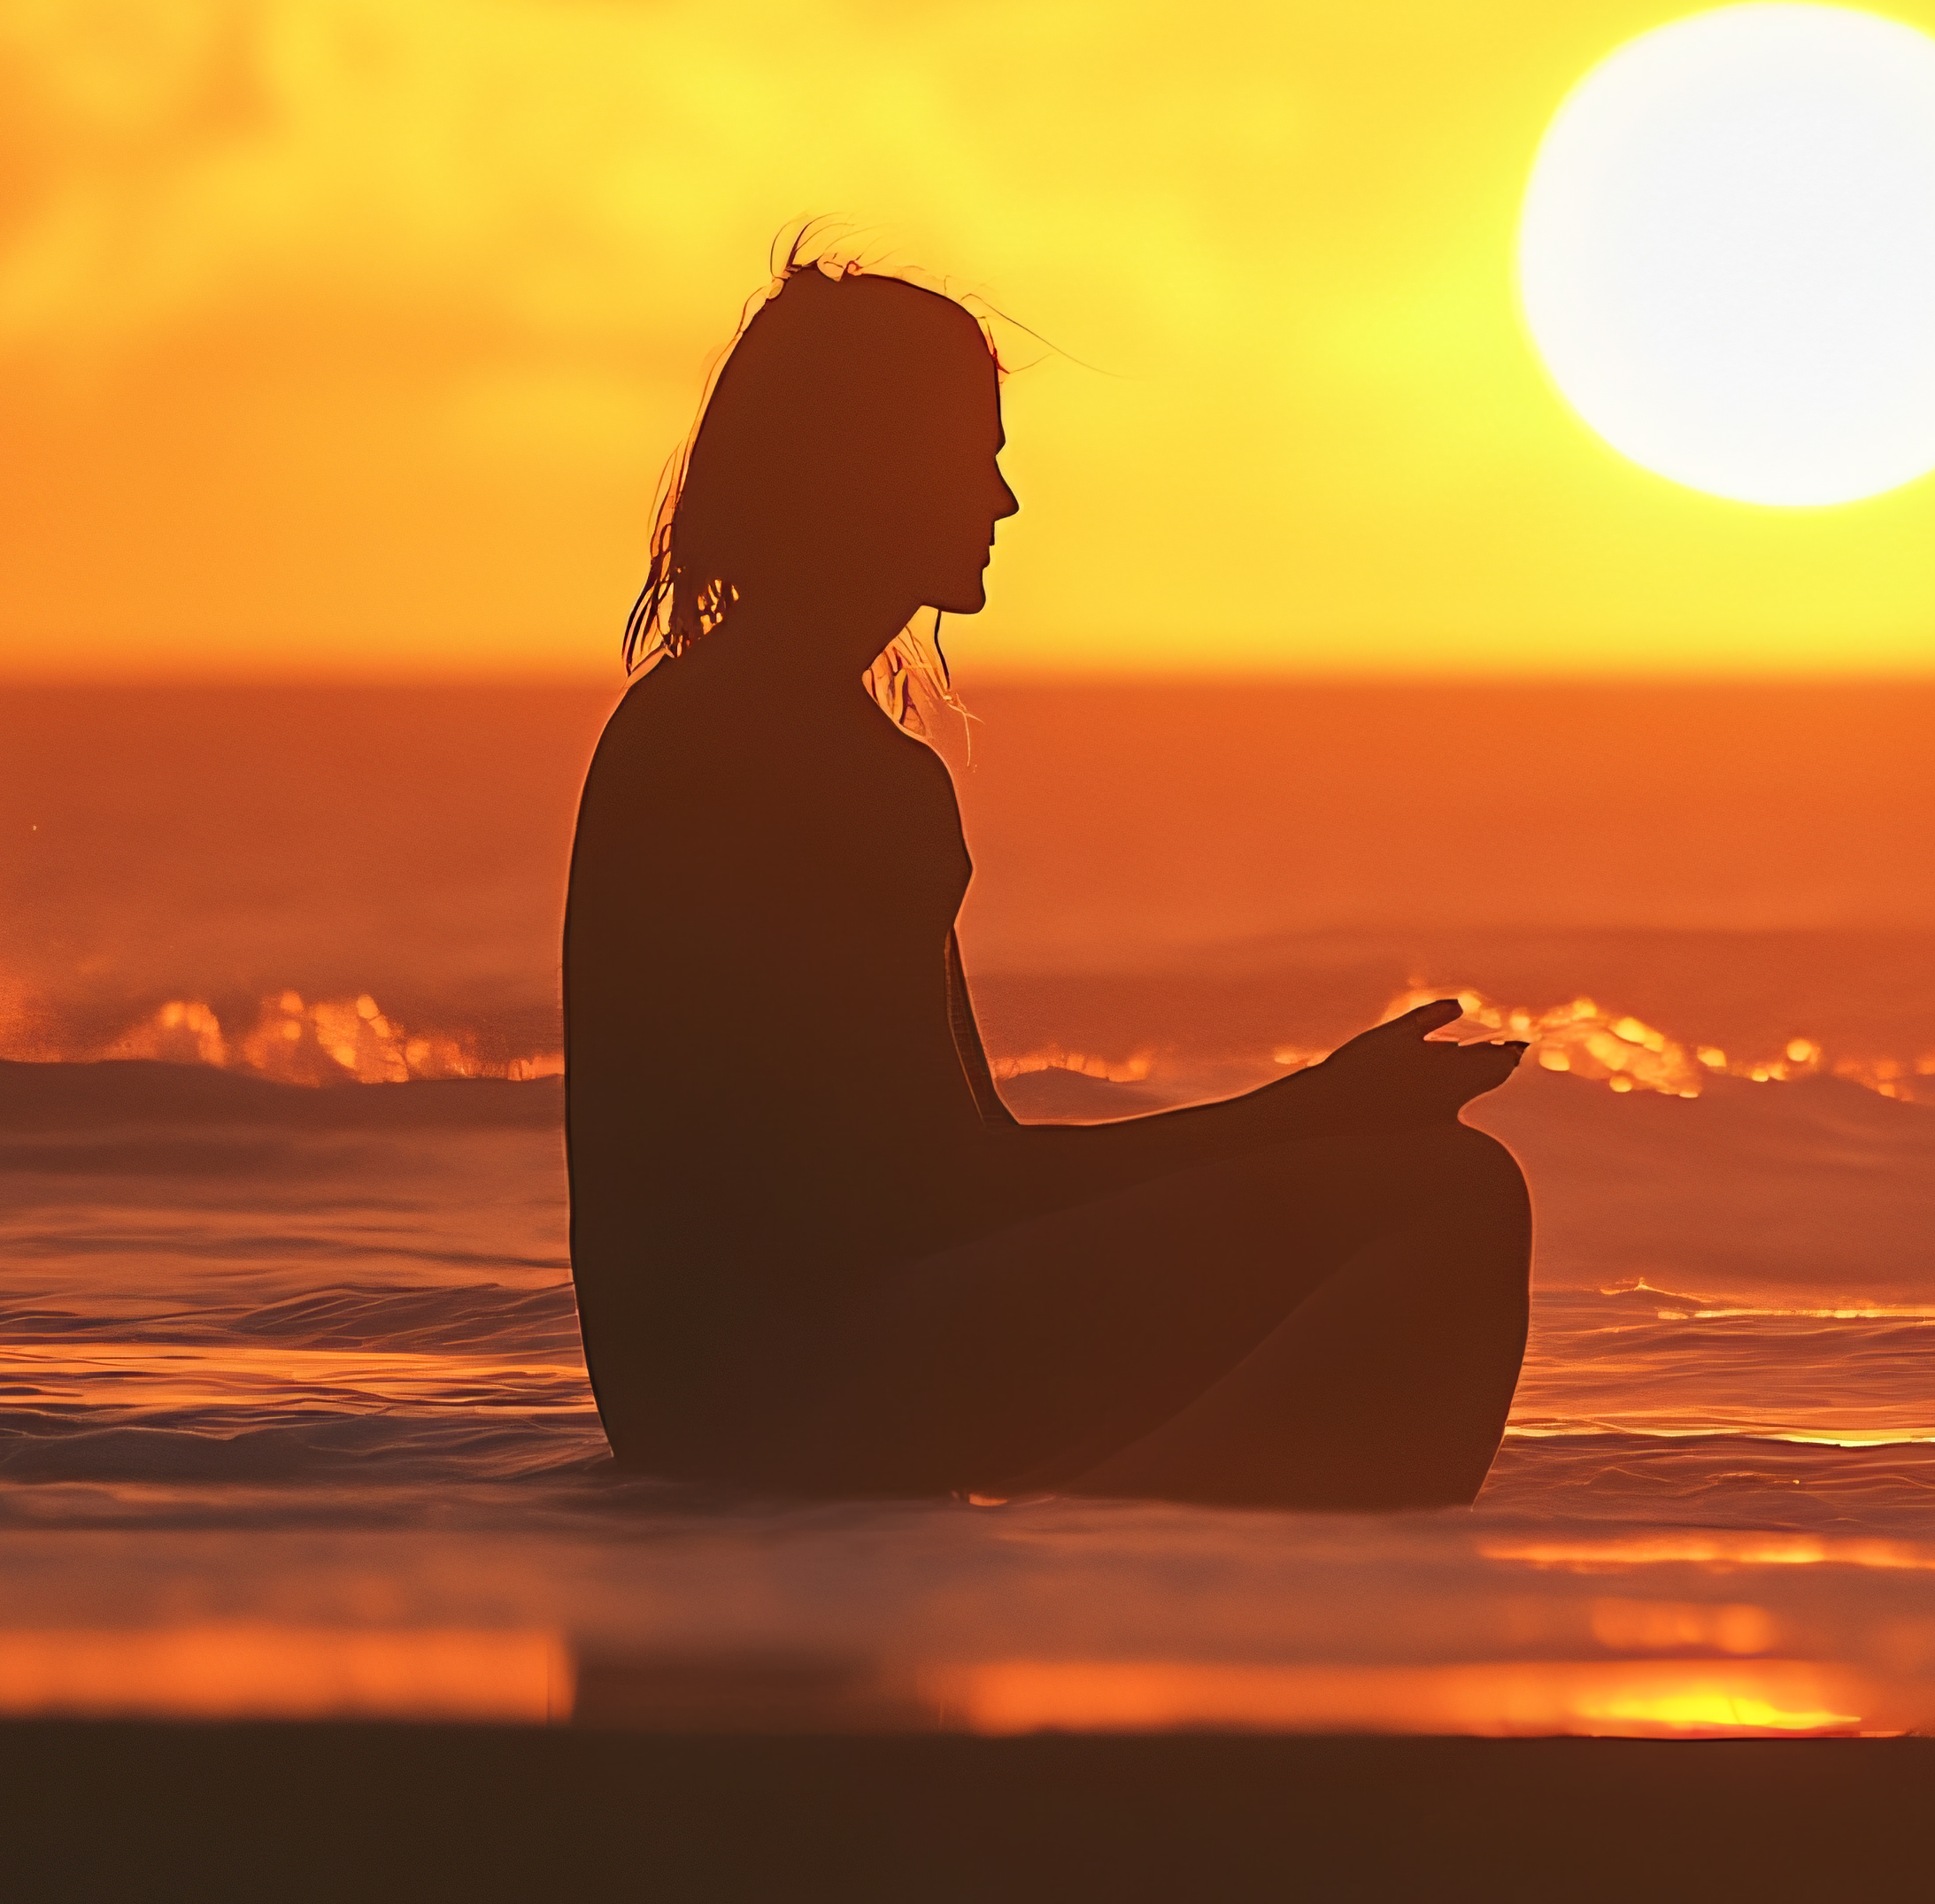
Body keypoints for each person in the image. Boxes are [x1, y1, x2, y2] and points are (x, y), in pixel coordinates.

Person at [562, 255, 1532, 1504]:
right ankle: (1205, 1599)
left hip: (693, 1411)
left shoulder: (685, 724)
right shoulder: (817, 763)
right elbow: (951, 1195)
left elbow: (945, 1176)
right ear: (869, 469)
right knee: (1454, 1201)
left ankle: (1159, 1567)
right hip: (798, 1405)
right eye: (974, 455)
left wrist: (1308, 1121)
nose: (1005, 500)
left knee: (1417, 1195)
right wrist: (1308, 1117)